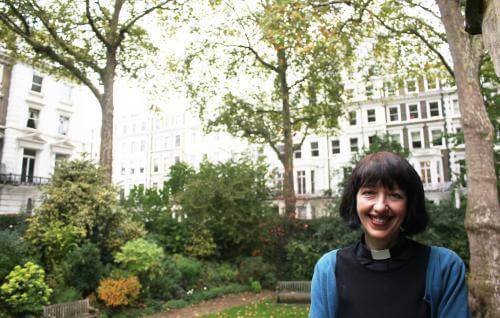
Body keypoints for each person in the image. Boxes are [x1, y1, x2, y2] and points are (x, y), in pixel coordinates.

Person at [309, 151, 470, 318]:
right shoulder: (329, 269)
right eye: (369, 193)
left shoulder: (444, 267)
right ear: (354, 201)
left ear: (409, 205)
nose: (380, 207)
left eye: (395, 195)